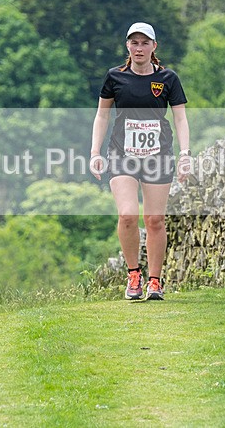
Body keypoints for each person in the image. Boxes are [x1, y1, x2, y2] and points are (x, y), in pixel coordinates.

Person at [90, 22, 190, 300]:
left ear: (154, 47)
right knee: (128, 215)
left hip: (159, 154)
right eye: (134, 43)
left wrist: (185, 155)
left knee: (155, 219)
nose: (139, 48)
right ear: (127, 46)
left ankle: (155, 281)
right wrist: (94, 152)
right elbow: (102, 116)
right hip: (122, 153)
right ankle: (133, 274)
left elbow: (180, 117)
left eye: (145, 43)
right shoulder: (115, 77)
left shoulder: (168, 78)